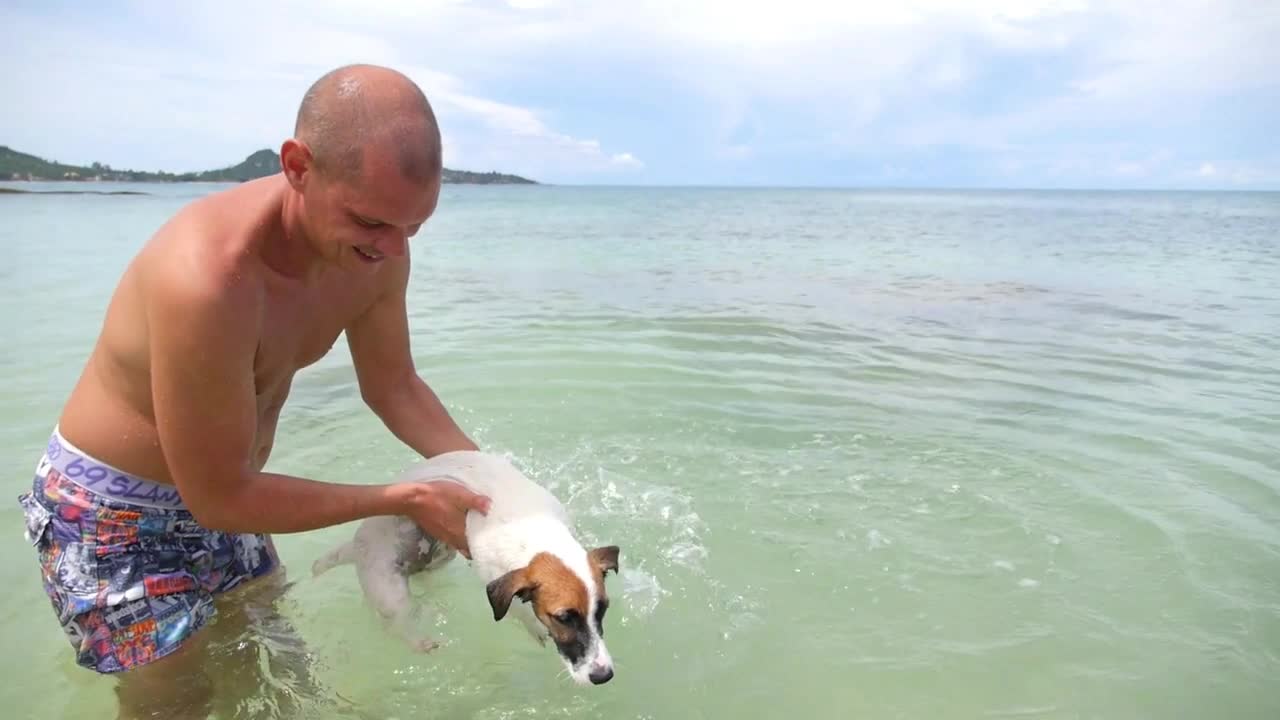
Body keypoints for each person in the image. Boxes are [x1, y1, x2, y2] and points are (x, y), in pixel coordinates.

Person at [15, 63, 492, 718]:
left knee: (271, 684)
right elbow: (219, 495)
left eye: (413, 227)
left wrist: (496, 484)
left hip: (231, 493)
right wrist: (404, 497)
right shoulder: (209, 280)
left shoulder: (376, 251)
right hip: (113, 515)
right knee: (176, 702)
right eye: (372, 222)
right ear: (297, 165)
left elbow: (396, 386)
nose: (392, 248)